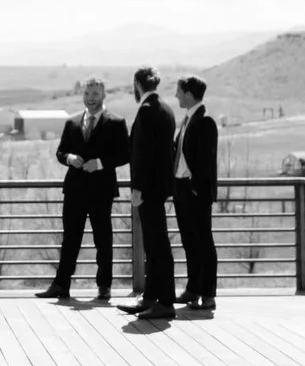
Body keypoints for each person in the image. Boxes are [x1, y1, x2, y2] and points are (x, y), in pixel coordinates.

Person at [41, 78, 127, 301]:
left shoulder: (117, 122)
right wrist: (69, 158)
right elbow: (60, 152)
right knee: (70, 239)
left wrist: (99, 163)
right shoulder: (71, 122)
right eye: (87, 93)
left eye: (95, 94)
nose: (91, 98)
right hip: (75, 190)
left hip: (102, 190)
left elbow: (125, 155)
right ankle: (61, 284)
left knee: (103, 240)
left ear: (104, 95)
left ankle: (104, 286)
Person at [123, 67, 177, 321]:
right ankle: (151, 298)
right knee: (156, 245)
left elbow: (142, 155)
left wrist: (137, 189)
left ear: (137, 84)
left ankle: (165, 301)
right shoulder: (166, 109)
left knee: (157, 247)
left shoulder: (145, 112)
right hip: (161, 187)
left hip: (148, 189)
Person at [172, 74, 219, 311]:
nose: (176, 96)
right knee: (189, 242)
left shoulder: (205, 121)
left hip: (195, 193)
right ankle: (193, 289)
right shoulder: (187, 120)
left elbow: (205, 162)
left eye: (179, 91)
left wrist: (193, 188)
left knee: (203, 242)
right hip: (181, 190)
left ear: (189, 94)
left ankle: (208, 295)